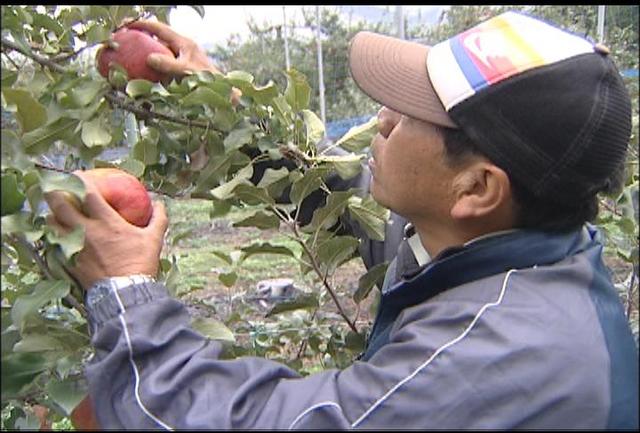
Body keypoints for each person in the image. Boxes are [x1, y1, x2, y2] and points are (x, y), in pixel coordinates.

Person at [45, 11, 639, 429]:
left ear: (477, 187)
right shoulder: (505, 243)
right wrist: (218, 97)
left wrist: (123, 290)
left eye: (410, 113)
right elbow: (334, 191)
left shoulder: (489, 362)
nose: (382, 119)